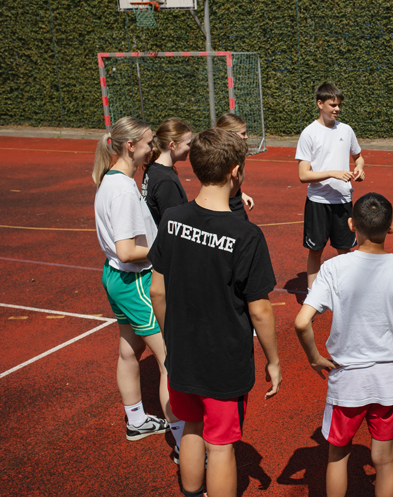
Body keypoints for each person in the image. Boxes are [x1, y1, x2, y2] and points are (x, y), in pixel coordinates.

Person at [148, 128, 281, 497]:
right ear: (236, 171)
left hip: (183, 351)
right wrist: (273, 359)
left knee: (190, 426)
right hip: (223, 358)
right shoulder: (246, 235)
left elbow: (157, 289)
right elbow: (260, 310)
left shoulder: (172, 218)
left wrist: (170, 336)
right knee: (221, 443)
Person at [294, 192, 393, 497]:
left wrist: (314, 357)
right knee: (385, 459)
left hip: (347, 379)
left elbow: (301, 323)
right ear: (392, 226)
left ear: (352, 225)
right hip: (388, 380)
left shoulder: (333, 268)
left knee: (337, 455)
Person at [92, 116, 179, 445]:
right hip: (137, 281)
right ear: (131, 146)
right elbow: (127, 251)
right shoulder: (124, 191)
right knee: (170, 359)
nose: (151, 149)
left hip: (115, 277)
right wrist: (167, 252)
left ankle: (137, 421)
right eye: (147, 144)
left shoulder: (110, 180)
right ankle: (183, 443)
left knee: (129, 351)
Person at [296, 82, 365, 290]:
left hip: (343, 200)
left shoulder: (346, 130)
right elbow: (303, 175)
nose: (337, 109)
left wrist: (360, 168)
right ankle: (312, 294)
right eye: (332, 104)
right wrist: (332, 173)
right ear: (320, 104)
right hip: (318, 202)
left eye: (339, 105)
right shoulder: (309, 133)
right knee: (315, 250)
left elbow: (359, 157)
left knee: (344, 251)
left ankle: (344, 291)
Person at [141, 117, 193, 225]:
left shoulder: (152, 169)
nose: (190, 148)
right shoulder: (166, 181)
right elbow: (173, 225)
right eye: (188, 144)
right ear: (172, 145)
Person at [215, 113, 255, 220]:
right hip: (230, 210)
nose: (246, 137)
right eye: (243, 133)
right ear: (230, 134)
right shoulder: (221, 158)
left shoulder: (230, 153)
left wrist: (240, 194)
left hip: (235, 202)